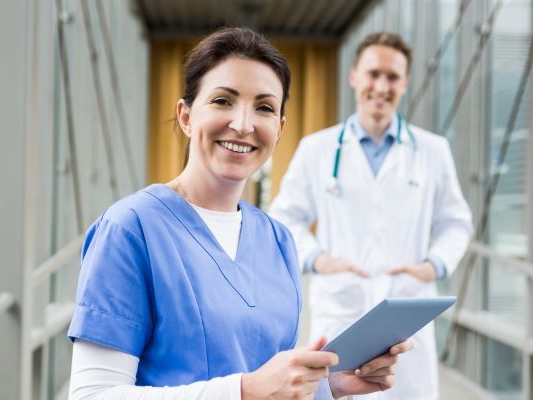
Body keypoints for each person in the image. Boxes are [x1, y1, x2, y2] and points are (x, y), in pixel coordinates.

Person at [67, 27, 412, 400]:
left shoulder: (277, 239)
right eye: (222, 101)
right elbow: (93, 395)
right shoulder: (130, 229)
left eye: (264, 107)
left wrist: (330, 386)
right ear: (185, 116)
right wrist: (244, 391)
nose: (244, 124)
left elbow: (271, 384)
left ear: (279, 129)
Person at [269, 31, 473, 400]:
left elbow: (456, 222)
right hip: (342, 305)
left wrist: (433, 266)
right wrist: (319, 259)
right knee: (336, 389)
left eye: (392, 77)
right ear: (354, 77)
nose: (381, 86)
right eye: (373, 74)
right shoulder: (318, 148)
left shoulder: (432, 151)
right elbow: (285, 217)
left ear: (405, 84)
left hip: (406, 308)